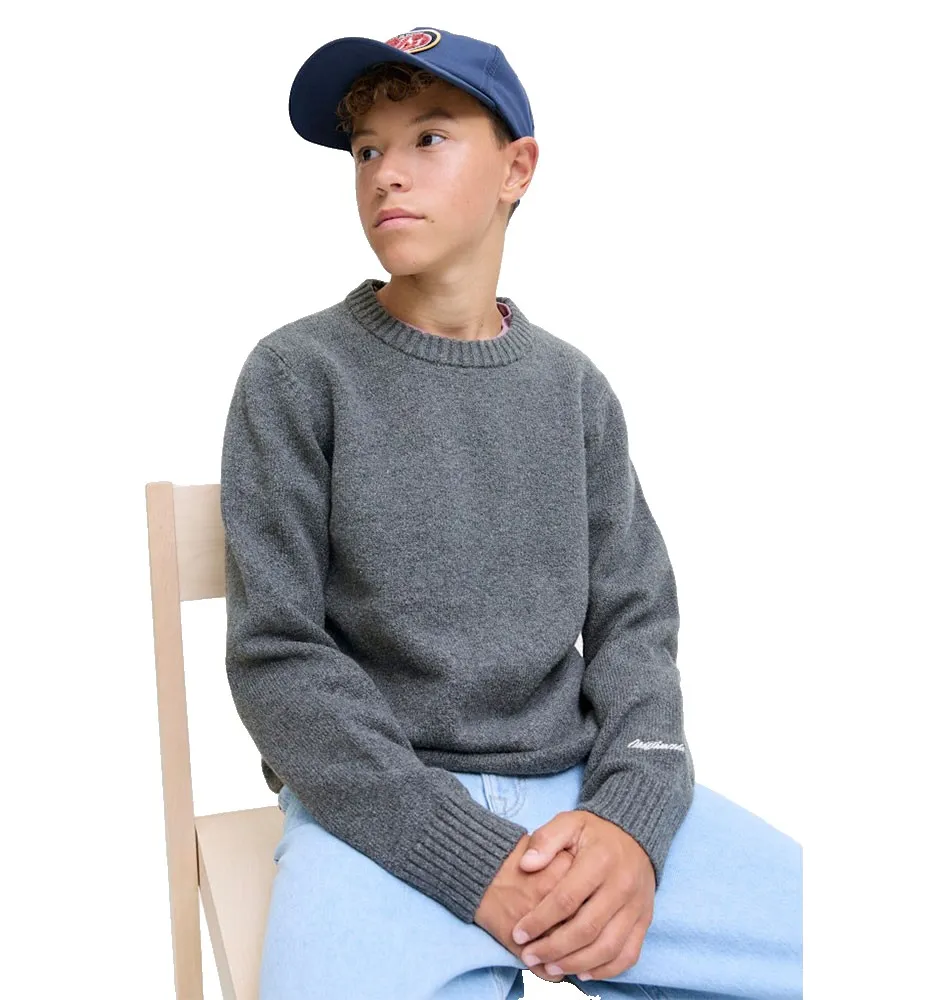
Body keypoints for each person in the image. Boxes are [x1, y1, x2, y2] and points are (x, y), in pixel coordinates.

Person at [220, 25, 802, 1000]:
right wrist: (463, 854)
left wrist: (631, 817)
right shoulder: (295, 375)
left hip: (578, 791)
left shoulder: (573, 390)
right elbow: (277, 656)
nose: (385, 173)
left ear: (516, 169)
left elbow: (635, 624)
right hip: (376, 804)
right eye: (365, 149)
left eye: (428, 137)